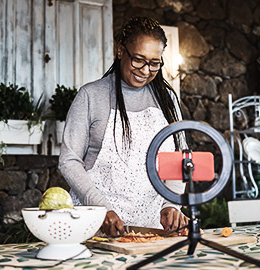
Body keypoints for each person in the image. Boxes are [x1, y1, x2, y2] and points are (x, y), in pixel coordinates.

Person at [59, 17, 189, 237]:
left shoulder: (168, 100)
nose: (146, 70)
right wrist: (101, 208)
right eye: (138, 60)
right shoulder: (91, 95)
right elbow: (69, 161)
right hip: (94, 223)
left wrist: (171, 204)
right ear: (121, 51)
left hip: (150, 229)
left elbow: (179, 158)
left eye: (155, 63)